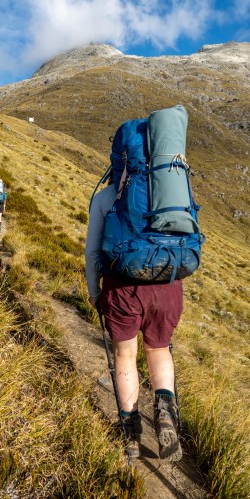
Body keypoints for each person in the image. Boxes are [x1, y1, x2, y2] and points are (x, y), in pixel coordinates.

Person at [85, 173, 183, 463]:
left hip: (122, 287)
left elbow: (92, 251)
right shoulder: (172, 189)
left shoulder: (106, 196)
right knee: (159, 349)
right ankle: (165, 414)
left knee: (126, 356)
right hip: (168, 287)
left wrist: (94, 292)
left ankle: (131, 436)